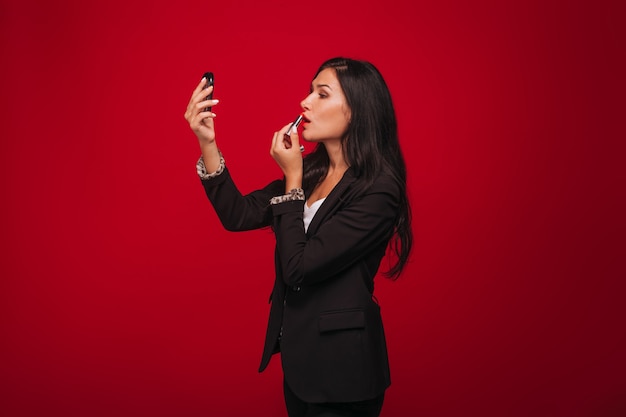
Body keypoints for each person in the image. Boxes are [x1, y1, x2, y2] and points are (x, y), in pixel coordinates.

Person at [184, 57, 412, 417]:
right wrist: (206, 142)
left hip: (345, 374)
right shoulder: (312, 173)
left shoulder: (377, 190)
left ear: (357, 111)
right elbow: (238, 214)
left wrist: (291, 179)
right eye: (310, 92)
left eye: (322, 94)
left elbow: (300, 268)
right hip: (300, 364)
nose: (305, 103)